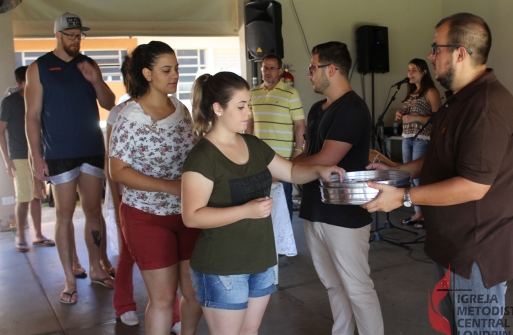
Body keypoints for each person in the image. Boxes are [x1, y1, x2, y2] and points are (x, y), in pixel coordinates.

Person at [363, 13, 513, 334]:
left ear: (460, 53)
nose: (431, 56)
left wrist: (403, 196)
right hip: (453, 244)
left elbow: (473, 185)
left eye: (435, 48)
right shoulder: (457, 101)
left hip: (477, 252)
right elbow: (438, 159)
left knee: (477, 330)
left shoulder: (485, 106)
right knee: (456, 327)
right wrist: (396, 170)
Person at [181, 71, 344, 335]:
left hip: (262, 259)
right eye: (241, 106)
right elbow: (192, 216)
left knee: (251, 330)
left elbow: (290, 172)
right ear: (217, 109)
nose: (249, 113)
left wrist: (318, 171)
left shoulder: (253, 145)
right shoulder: (202, 157)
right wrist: (246, 210)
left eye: (249, 106)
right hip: (223, 266)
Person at [109, 41, 202, 335]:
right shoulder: (129, 117)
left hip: (189, 214)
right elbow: (117, 170)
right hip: (146, 216)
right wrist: (170, 187)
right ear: (147, 74)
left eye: (176, 68)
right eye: (166, 70)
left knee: (195, 294)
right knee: (162, 299)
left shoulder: (182, 109)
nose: (175, 74)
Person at [293, 41, 384, 335]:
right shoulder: (319, 108)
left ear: (331, 69)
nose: (309, 74)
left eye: (312, 68)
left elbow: (325, 159)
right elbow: (308, 155)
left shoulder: (353, 109)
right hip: (315, 208)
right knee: (333, 285)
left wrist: (283, 171)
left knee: (357, 288)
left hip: (344, 214)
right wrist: (287, 165)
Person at [25, 12, 116, 304]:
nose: (76, 40)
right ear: (58, 35)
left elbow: (108, 102)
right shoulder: (38, 68)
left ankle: (96, 268)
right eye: (71, 35)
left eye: (79, 35)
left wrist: (95, 80)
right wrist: (35, 157)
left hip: (90, 147)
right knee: (64, 214)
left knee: (93, 210)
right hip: (58, 153)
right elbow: (32, 116)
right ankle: (68, 278)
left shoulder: (88, 64)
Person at [0, 66, 55, 252]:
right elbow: (0, 132)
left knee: (36, 197)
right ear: (20, 83)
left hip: (38, 156)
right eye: (28, 80)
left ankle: (38, 235)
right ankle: (21, 236)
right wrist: (7, 160)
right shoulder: (9, 102)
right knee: (23, 198)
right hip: (19, 157)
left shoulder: (38, 98)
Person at [245, 53, 305, 220]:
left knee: (283, 209)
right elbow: (249, 124)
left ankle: (284, 246)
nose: (267, 72)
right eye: (265, 68)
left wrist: (298, 152)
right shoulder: (253, 93)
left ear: (280, 71)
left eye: (272, 68)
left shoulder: (290, 93)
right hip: (258, 160)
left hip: (282, 161)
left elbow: (300, 125)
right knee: (260, 207)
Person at [395, 58, 440, 228]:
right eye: (408, 70)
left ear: (424, 72)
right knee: (410, 177)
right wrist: (401, 114)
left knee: (420, 177)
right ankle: (418, 212)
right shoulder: (411, 93)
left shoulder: (431, 92)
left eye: (414, 70)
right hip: (407, 137)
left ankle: (426, 214)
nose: (410, 73)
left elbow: (438, 118)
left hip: (423, 138)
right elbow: (410, 114)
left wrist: (414, 118)